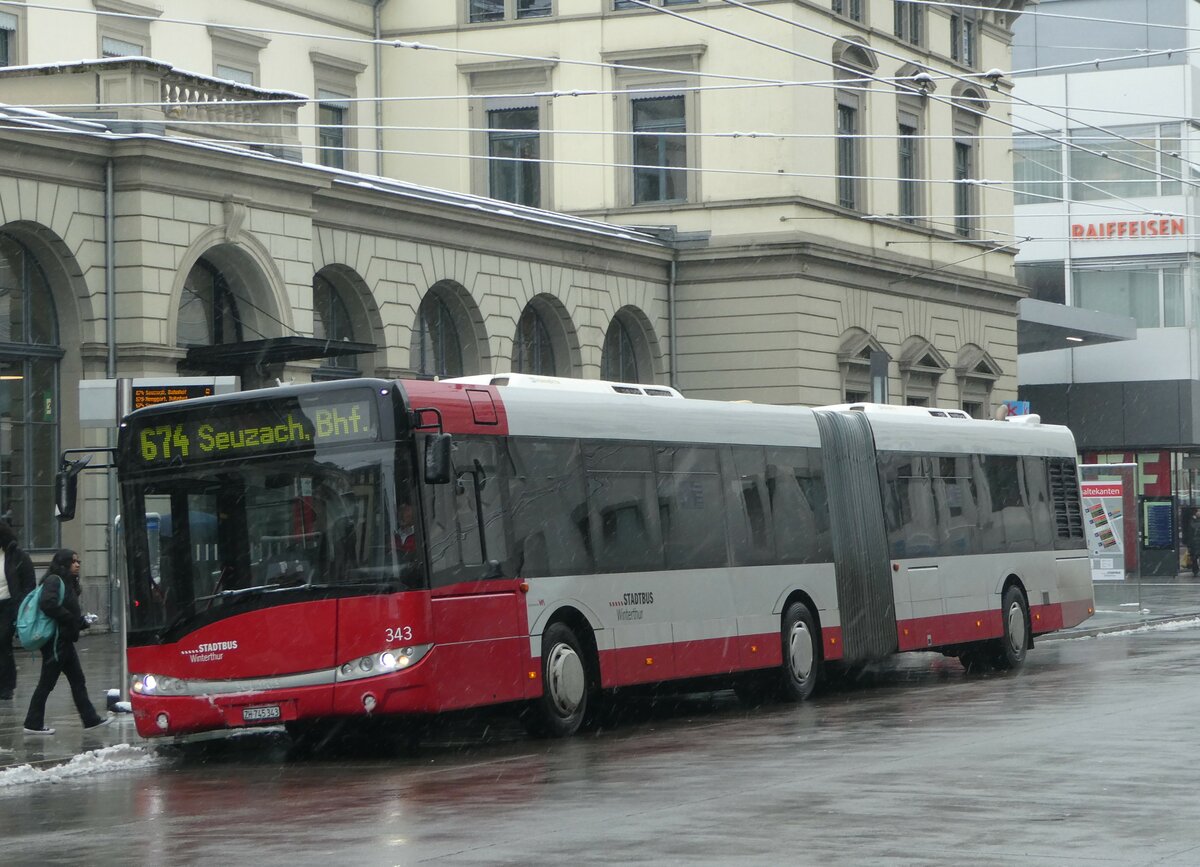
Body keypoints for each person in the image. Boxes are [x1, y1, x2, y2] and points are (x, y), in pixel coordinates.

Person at [22, 549, 108, 735]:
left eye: (78, 561)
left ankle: (90, 719)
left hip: (64, 641)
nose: (77, 565)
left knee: (78, 680)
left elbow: (66, 614)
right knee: (47, 683)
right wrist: (72, 619)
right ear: (63, 563)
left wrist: (82, 622)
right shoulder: (54, 580)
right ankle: (32, 723)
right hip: (56, 642)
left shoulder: (66, 582)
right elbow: (48, 604)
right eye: (73, 561)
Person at [0, 521, 35, 700]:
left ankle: (7, 686)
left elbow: (29, 584)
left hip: (9, 605)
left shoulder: (18, 556)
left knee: (3, 642)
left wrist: (21, 605)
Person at [1188, 508, 1200, 578]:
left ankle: (1195, 570)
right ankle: (1195, 570)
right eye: (1198, 511)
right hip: (1194, 543)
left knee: (1194, 557)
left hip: (1195, 543)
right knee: (1194, 558)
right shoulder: (1192, 521)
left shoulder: (1192, 521)